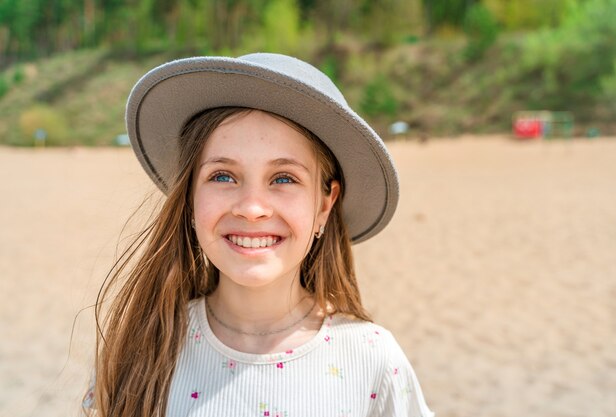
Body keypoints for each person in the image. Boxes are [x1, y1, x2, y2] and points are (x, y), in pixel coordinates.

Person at [85, 53, 434, 417]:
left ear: (324, 205)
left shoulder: (372, 359)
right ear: (189, 196)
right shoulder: (140, 351)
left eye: (284, 179)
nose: (252, 208)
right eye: (222, 176)